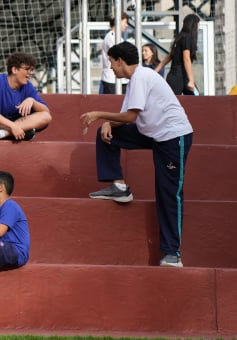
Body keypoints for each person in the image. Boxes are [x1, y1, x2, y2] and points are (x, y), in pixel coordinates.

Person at [80, 41, 193, 268]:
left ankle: (173, 254)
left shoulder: (141, 76)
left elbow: (130, 117)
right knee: (106, 135)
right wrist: (108, 124)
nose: (110, 68)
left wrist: (98, 115)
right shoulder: (134, 81)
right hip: (152, 133)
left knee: (168, 194)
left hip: (173, 138)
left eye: (111, 62)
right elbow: (126, 116)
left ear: (120, 61)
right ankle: (120, 187)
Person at [156, 14, 201, 95]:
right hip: (177, 77)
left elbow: (169, 57)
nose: (199, 27)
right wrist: (191, 80)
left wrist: (155, 70)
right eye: (198, 24)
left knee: (196, 97)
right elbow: (186, 58)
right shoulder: (187, 38)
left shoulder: (180, 37)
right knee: (173, 103)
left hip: (183, 76)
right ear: (193, 25)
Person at [100, 12, 129, 94]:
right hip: (112, 80)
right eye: (125, 22)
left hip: (120, 80)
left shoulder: (118, 37)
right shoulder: (111, 37)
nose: (126, 25)